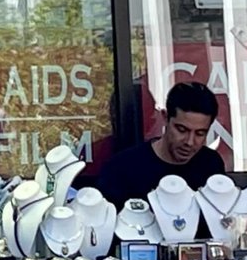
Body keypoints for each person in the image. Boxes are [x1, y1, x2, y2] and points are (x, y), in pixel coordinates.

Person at [76, 81, 228, 205]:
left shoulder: (211, 164)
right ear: (165, 117)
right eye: (182, 130)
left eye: (200, 133)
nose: (189, 142)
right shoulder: (123, 168)